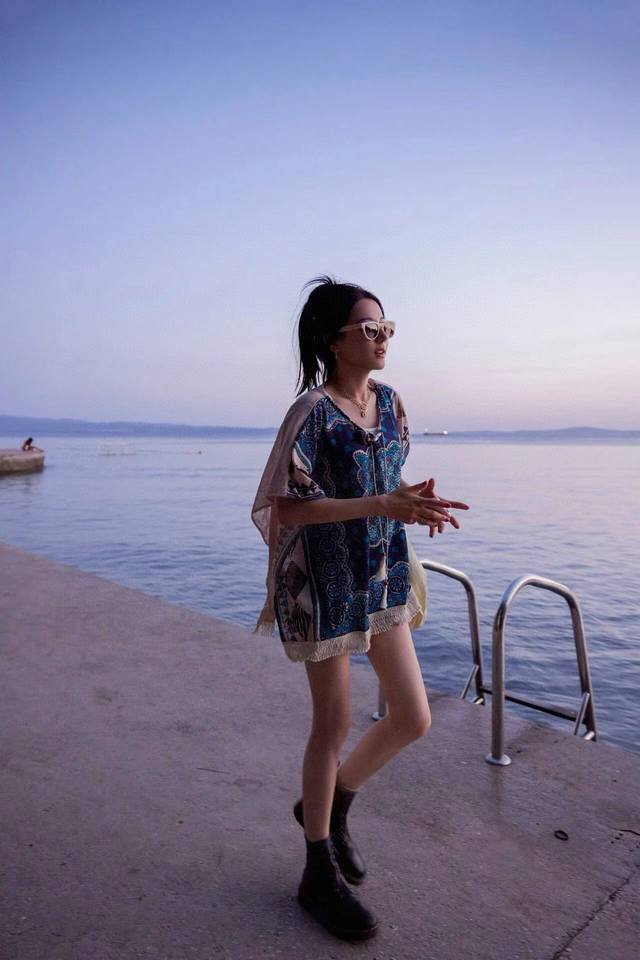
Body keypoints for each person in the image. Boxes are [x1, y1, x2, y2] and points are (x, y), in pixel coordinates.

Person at [251, 275, 470, 941]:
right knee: (334, 722)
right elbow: (287, 507)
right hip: (323, 585)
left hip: (381, 577)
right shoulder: (311, 413)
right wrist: (381, 503)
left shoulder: (392, 403)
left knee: (413, 716)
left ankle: (330, 805)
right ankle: (316, 871)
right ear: (331, 339)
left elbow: (380, 479)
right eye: (368, 329)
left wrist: (410, 500)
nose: (382, 339)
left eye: (386, 328)